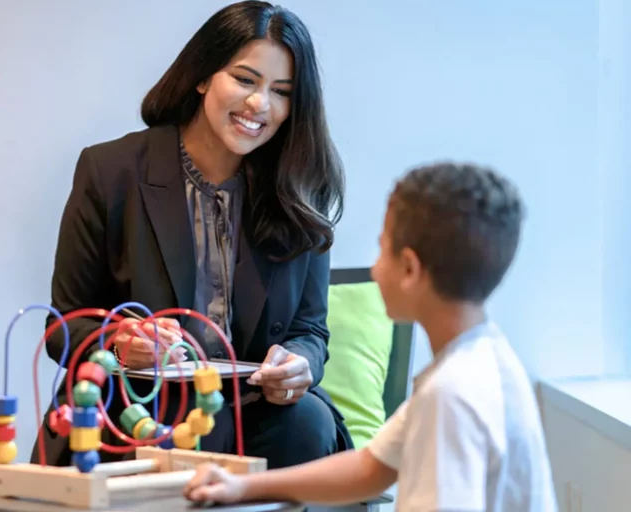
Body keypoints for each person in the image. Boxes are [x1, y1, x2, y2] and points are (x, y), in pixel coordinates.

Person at [34, 0, 352, 470]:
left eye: (281, 91)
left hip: (256, 407)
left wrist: (299, 362)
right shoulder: (110, 171)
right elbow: (65, 327)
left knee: (308, 424)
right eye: (245, 79)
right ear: (203, 75)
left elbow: (310, 330)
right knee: (194, 432)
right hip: (140, 401)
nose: (259, 104)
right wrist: (122, 343)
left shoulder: (299, 187)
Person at [183, 162, 559, 511]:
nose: (376, 270)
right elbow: (370, 468)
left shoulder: (453, 394)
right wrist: (242, 486)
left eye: (382, 250)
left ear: (409, 268)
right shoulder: (482, 361)